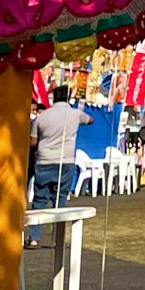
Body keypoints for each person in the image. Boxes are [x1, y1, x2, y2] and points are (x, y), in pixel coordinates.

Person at [29, 85, 95, 237]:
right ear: (68, 98)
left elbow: (33, 142)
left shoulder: (42, 117)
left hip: (44, 161)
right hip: (65, 161)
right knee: (60, 200)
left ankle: (34, 237)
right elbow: (90, 120)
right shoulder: (75, 114)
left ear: (54, 98)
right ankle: (57, 237)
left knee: (39, 200)